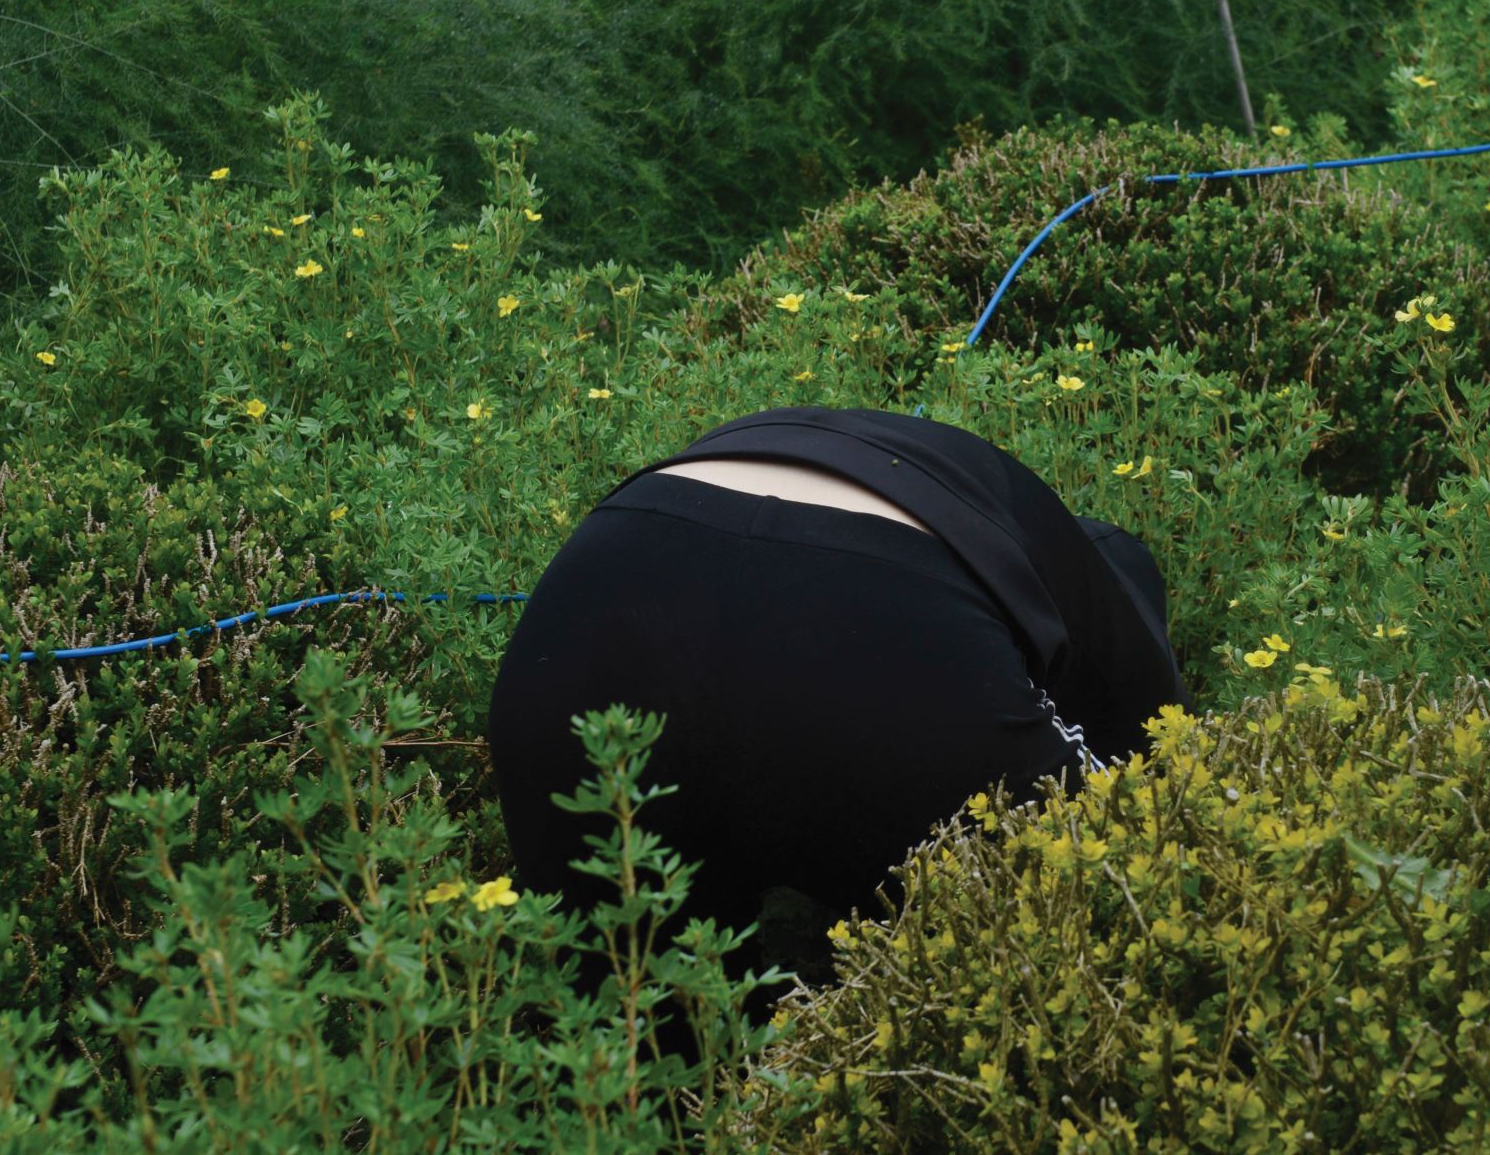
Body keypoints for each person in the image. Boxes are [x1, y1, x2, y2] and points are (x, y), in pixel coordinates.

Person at [488, 405, 1186, 985]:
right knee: (1089, 937)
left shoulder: (967, 480)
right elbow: (1153, 776)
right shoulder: (1104, 584)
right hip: (880, 618)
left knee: (636, 1044)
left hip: (600, 597)